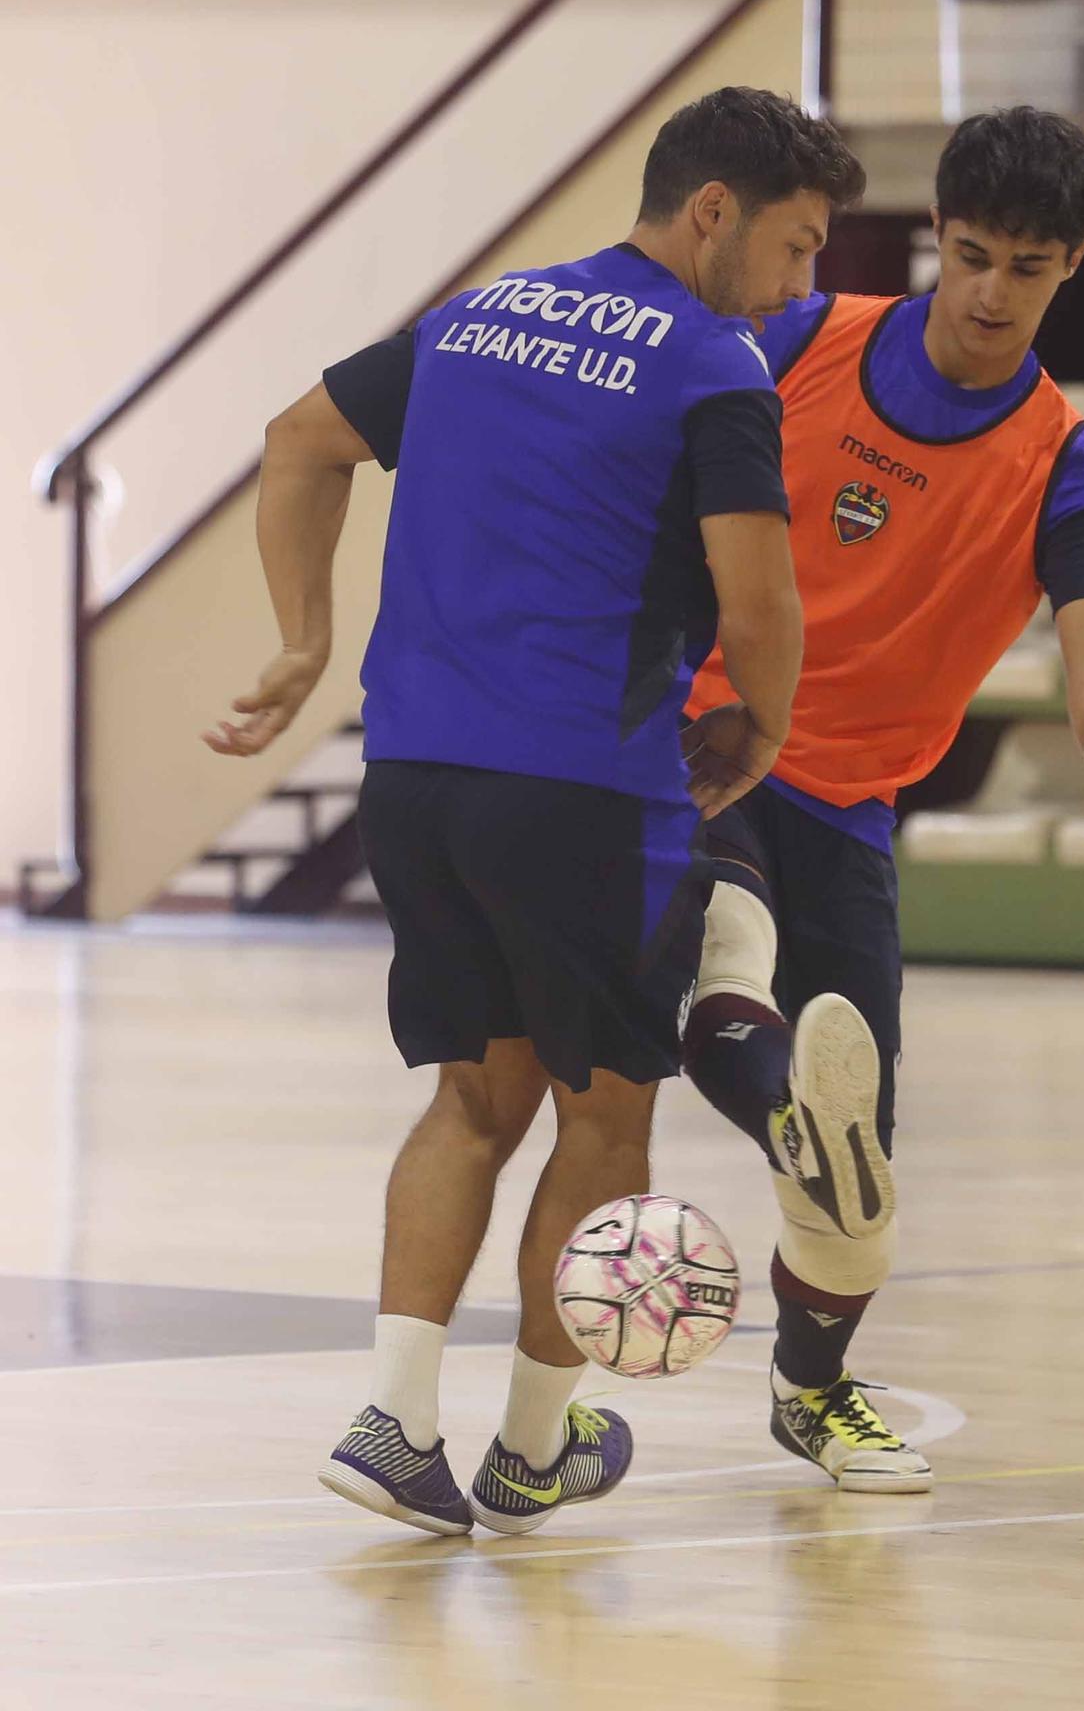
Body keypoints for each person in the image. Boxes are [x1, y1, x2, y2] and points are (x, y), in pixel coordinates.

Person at [204, 87, 865, 1535]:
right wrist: (756, 732)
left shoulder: (473, 317)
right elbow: (760, 598)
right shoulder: (715, 363)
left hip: (416, 774)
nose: (800, 285)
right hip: (583, 787)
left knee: (472, 1098)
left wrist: (302, 640)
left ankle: (391, 1422)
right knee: (607, 1115)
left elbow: (297, 440)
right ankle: (530, 1445)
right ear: (713, 214)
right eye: (798, 248)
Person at [678, 107, 1084, 1493]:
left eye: (1026, 267)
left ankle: (810, 1388)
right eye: (969, 256)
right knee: (731, 956)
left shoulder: (1063, 460)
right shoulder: (796, 341)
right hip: (706, 736)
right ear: (932, 240)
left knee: (862, 1174)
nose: (989, 293)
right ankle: (786, 1111)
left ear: (1069, 268)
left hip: (849, 798)